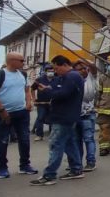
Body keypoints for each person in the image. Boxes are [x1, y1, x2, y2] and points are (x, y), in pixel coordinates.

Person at [30, 55, 84, 186]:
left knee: (56, 144)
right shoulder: (67, 77)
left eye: (56, 68)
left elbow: (63, 94)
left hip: (64, 116)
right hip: (67, 115)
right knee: (70, 143)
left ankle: (49, 175)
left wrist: (48, 92)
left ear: (64, 65)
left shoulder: (71, 77)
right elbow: (59, 91)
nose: (55, 71)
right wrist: (48, 89)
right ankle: (76, 169)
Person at [0, 52, 38, 179]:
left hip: (22, 112)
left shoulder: (22, 74)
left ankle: (25, 165)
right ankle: (2, 168)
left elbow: (27, 90)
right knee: (2, 141)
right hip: (3, 114)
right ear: (11, 61)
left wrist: (28, 102)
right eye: (21, 60)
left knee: (24, 140)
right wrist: (1, 110)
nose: (24, 63)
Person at [74, 60, 98, 172]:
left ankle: (91, 162)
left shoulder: (90, 78)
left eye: (84, 68)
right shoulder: (72, 79)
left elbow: (93, 67)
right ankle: (77, 163)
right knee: (77, 140)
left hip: (88, 114)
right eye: (79, 69)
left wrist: (84, 61)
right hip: (75, 114)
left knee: (88, 139)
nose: (82, 70)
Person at [31, 64, 53, 141]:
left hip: (52, 103)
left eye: (52, 71)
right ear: (45, 71)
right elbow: (32, 89)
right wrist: (34, 99)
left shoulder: (57, 79)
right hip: (41, 103)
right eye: (49, 71)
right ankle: (39, 135)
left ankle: (52, 134)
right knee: (40, 118)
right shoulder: (40, 79)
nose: (51, 72)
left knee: (52, 119)